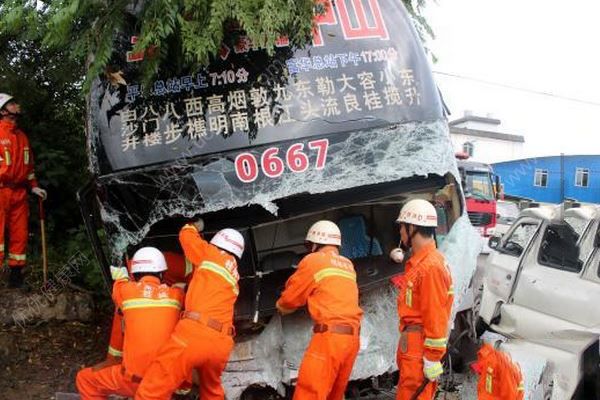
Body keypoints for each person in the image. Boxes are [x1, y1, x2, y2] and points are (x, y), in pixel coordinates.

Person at [135, 220, 245, 400]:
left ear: (216, 244)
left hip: (196, 333)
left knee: (152, 389)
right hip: (222, 343)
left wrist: (194, 225)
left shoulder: (211, 254)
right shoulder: (234, 275)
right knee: (211, 391)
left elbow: (185, 236)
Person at [76, 247, 184, 399]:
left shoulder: (125, 292)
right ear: (162, 273)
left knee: (85, 379)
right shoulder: (176, 296)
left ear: (134, 274)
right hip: (166, 382)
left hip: (134, 381)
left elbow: (119, 279)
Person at [276, 220, 363, 400]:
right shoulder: (348, 265)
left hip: (329, 339)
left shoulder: (314, 260)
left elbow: (289, 300)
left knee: (309, 394)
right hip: (352, 341)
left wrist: (280, 306)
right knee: (334, 395)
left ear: (314, 244)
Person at [391, 199, 454, 400]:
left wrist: (432, 358)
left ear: (413, 228)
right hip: (413, 345)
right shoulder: (422, 264)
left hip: (419, 349)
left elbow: (435, 315)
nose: (400, 231)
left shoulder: (430, 267)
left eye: (402, 226)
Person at [0, 93, 47, 288]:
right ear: (3, 111)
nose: (17, 106)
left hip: (19, 193)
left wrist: (34, 186)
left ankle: (16, 278)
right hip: (1, 191)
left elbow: (29, 168)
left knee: (20, 233)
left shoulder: (22, 136)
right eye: (12, 104)